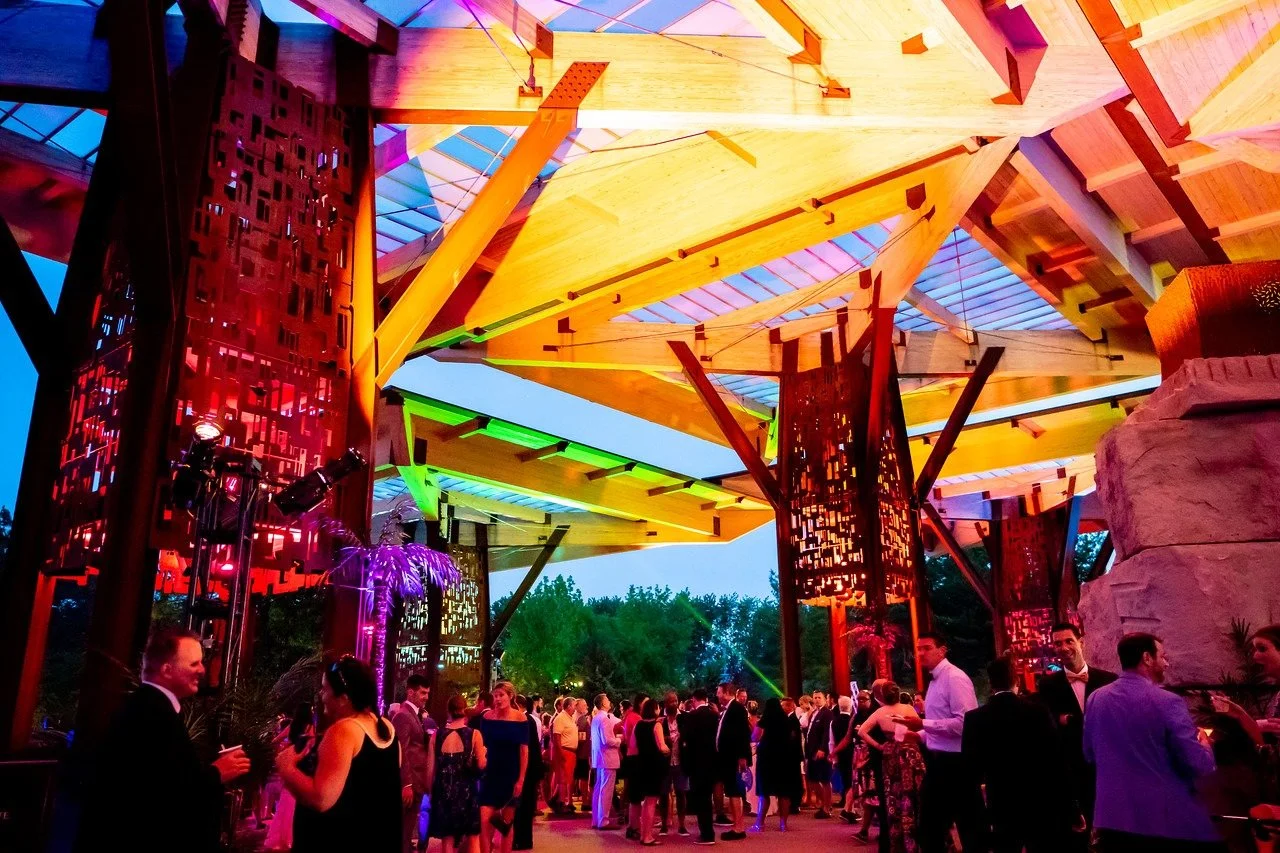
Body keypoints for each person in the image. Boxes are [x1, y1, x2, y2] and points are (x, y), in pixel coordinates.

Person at [80, 627, 250, 853]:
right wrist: (217, 773)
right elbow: (161, 794)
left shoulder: (147, 707)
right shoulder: (152, 714)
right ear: (167, 669)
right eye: (194, 664)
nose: (202, 670)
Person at [1083, 632, 1222, 852]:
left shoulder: (1095, 698)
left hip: (1111, 820)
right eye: (1163, 657)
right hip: (1164, 821)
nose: (1166, 663)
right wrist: (1205, 745)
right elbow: (1197, 764)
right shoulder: (1168, 701)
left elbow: (1089, 752)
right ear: (1147, 658)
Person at [277, 656, 401, 852]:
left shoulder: (344, 731)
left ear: (343, 699)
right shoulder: (388, 729)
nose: (321, 694)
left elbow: (321, 799)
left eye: (325, 689)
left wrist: (287, 768)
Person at [964, 655, 1075, 852]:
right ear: (1017, 680)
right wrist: (1070, 807)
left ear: (991, 683)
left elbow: (971, 770)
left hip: (1000, 802)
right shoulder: (1037, 712)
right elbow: (1056, 761)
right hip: (1038, 801)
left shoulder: (975, 719)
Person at [894, 631, 985, 853]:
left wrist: (923, 725)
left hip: (956, 763)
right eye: (918, 649)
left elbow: (965, 724)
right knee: (932, 828)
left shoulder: (954, 678)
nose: (921, 653)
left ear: (942, 650)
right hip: (939, 762)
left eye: (926, 648)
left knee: (963, 827)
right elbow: (939, 722)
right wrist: (918, 736)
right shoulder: (935, 681)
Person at [1038, 621, 1117, 847]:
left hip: (1107, 766)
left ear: (1081, 642)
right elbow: (1049, 727)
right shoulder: (1047, 686)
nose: (1063, 647)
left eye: (1069, 641)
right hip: (1072, 770)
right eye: (1057, 643)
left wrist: (1069, 720)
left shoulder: (1107, 680)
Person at [858, 681, 925, 853]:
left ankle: (898, 841)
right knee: (917, 794)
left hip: (891, 755)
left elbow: (861, 731)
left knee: (894, 796)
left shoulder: (880, 712)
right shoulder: (908, 709)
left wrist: (879, 746)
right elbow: (920, 728)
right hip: (911, 752)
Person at [475, 681, 530, 853]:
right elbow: (482, 745)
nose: (497, 699)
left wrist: (521, 778)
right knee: (484, 820)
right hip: (489, 773)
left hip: (510, 773)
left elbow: (524, 751)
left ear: (510, 696)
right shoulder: (487, 718)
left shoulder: (520, 718)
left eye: (501, 695)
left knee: (506, 824)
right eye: (495, 695)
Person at [427, 694, 486, 853]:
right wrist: (484, 755)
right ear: (464, 710)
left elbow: (430, 769)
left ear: (449, 711)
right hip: (467, 792)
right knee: (473, 837)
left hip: (444, 791)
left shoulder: (436, 735)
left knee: (447, 838)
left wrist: (431, 793)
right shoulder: (474, 734)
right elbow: (481, 765)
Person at [751, 697, 802, 832]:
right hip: (784, 758)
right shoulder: (787, 720)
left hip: (767, 758)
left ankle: (760, 824)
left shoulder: (765, 720)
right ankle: (783, 824)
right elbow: (792, 738)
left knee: (765, 792)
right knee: (784, 793)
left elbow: (754, 737)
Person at [394, 673, 433, 853]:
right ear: (410, 692)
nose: (426, 697)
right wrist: (407, 783)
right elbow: (401, 750)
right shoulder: (403, 716)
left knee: (408, 829)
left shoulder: (415, 714)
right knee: (404, 829)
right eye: (423, 693)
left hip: (417, 780)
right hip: (410, 782)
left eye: (427, 693)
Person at [681, 687, 720, 845]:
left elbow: (686, 740)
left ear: (694, 699)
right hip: (712, 762)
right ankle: (708, 831)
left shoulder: (693, 716)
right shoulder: (714, 716)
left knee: (701, 799)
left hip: (697, 763)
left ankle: (706, 834)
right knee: (708, 797)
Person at [714, 682, 752, 840]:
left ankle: (739, 827)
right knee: (731, 792)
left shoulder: (736, 708)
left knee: (735, 792)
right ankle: (737, 825)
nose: (716, 695)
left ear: (726, 692)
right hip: (727, 757)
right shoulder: (728, 709)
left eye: (718, 692)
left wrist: (742, 757)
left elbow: (743, 734)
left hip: (734, 758)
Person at [634, 698, 672, 845]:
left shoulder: (639, 725)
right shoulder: (656, 726)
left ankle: (644, 834)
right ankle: (648, 836)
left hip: (642, 763)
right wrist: (669, 749)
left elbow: (635, 744)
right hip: (654, 765)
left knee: (645, 802)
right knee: (651, 801)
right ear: (655, 709)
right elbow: (662, 746)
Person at [513, 694, 544, 852]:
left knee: (524, 805)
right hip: (531, 768)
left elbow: (527, 748)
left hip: (529, 769)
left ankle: (522, 839)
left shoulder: (525, 720)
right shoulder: (531, 719)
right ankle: (523, 839)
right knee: (525, 805)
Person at [590, 693, 623, 829]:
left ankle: (596, 819)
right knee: (606, 790)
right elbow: (608, 740)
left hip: (599, 758)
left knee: (599, 788)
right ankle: (604, 820)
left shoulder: (596, 718)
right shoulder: (605, 719)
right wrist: (619, 740)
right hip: (607, 758)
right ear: (603, 704)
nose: (609, 701)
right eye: (607, 700)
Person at [660, 691, 688, 836]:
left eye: (676, 701)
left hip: (680, 761)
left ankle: (682, 825)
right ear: (665, 703)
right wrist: (664, 739)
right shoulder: (661, 721)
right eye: (671, 701)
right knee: (664, 794)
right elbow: (657, 740)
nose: (674, 703)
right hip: (665, 763)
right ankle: (664, 824)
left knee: (681, 792)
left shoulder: (684, 718)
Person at [805, 690, 835, 818]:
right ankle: (824, 803)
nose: (817, 699)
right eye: (815, 697)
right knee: (812, 779)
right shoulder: (814, 713)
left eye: (819, 697)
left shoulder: (827, 713)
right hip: (811, 751)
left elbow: (827, 733)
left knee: (825, 779)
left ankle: (827, 807)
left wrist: (823, 748)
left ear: (825, 699)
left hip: (821, 751)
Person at [831, 695, 855, 821]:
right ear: (850, 707)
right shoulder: (853, 720)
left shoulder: (834, 722)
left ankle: (847, 804)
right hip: (853, 753)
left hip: (841, 754)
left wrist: (833, 755)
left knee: (846, 779)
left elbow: (832, 741)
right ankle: (849, 808)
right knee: (852, 780)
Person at [575, 698, 593, 811]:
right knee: (584, 777)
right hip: (582, 752)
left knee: (581, 776)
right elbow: (580, 736)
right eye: (584, 704)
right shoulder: (581, 719)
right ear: (577, 706)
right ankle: (585, 801)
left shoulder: (578, 718)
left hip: (581, 752)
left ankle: (584, 800)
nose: (586, 706)